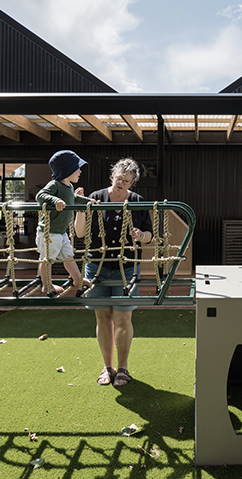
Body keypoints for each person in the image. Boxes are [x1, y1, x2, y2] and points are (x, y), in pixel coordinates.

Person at [75, 158, 153, 387]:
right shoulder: (96, 197)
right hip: (97, 266)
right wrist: (80, 207)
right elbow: (80, 233)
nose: (121, 183)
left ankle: (123, 368)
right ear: (112, 176)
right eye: (118, 178)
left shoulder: (137, 201)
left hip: (127, 266)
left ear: (133, 182)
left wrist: (141, 235)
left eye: (126, 181)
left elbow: (150, 235)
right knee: (102, 316)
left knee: (122, 317)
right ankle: (107, 367)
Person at [35, 150, 93, 296]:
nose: (80, 171)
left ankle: (77, 279)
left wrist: (88, 201)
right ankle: (46, 285)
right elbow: (40, 196)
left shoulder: (69, 187)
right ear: (67, 170)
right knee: (47, 259)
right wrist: (55, 200)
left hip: (61, 232)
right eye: (77, 168)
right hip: (49, 232)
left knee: (68, 256)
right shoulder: (55, 184)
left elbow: (73, 199)